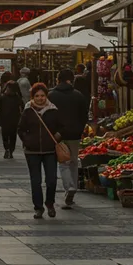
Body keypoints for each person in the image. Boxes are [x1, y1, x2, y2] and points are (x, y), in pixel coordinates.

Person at [18, 82, 62, 219]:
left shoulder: (53, 110)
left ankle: (50, 203)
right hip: (32, 151)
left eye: (42, 95)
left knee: (51, 180)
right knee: (35, 181)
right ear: (33, 97)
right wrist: (28, 141)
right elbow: (21, 129)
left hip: (50, 150)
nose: (40, 98)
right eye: (37, 96)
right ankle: (38, 207)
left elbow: (62, 127)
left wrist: (57, 137)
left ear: (46, 96)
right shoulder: (28, 111)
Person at [48, 68, 90, 209]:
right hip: (75, 134)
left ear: (58, 79)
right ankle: (72, 187)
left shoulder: (51, 95)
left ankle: (69, 187)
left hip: (58, 135)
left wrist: (54, 132)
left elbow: (48, 116)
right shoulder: (78, 96)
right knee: (73, 161)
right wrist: (79, 129)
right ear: (70, 80)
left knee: (63, 162)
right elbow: (84, 116)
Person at [0, 75, 23, 159]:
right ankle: (10, 150)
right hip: (13, 120)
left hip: (6, 119)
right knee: (12, 136)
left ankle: (7, 149)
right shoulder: (17, 98)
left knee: (6, 135)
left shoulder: (3, 97)